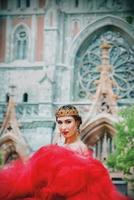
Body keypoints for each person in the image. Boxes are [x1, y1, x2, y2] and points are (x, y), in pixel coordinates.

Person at [0, 105, 132, 200]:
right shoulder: (55, 146)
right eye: (60, 123)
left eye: (68, 122)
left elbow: (84, 179)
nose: (64, 127)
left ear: (77, 123)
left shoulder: (80, 147)